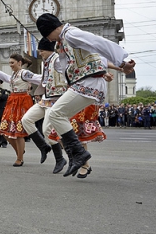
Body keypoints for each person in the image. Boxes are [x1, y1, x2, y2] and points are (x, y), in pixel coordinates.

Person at [37, 13, 135, 176]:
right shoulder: (64, 40)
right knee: (58, 116)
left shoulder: (71, 34)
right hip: (85, 82)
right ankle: (76, 155)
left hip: (88, 82)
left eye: (48, 36)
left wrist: (121, 63)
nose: (50, 40)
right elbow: (95, 56)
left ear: (52, 29)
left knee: (56, 114)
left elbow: (98, 43)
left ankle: (78, 154)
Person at [20, 38, 68, 174]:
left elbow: (68, 71)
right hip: (45, 99)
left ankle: (60, 159)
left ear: (48, 50)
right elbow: (44, 79)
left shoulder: (58, 60)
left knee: (47, 130)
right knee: (26, 120)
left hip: (56, 100)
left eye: (41, 51)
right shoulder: (46, 62)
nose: (39, 53)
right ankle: (43, 147)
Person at [0, 54, 41, 166]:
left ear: (19, 62)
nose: (10, 65)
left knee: (18, 132)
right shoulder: (13, 74)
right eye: (9, 63)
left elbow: (38, 78)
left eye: (12, 63)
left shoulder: (24, 73)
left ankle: (19, 158)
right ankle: (20, 151)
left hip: (21, 101)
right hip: (12, 101)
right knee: (4, 130)